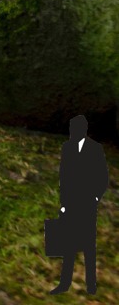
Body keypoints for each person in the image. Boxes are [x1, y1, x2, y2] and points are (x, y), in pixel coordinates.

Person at [56, 114, 108, 296]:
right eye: (72, 128)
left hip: (87, 203)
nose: (73, 132)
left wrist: (94, 198)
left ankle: (91, 284)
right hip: (70, 203)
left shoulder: (95, 149)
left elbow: (102, 178)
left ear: (83, 129)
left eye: (76, 129)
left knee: (88, 245)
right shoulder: (67, 148)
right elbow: (64, 177)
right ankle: (65, 283)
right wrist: (63, 203)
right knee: (69, 244)